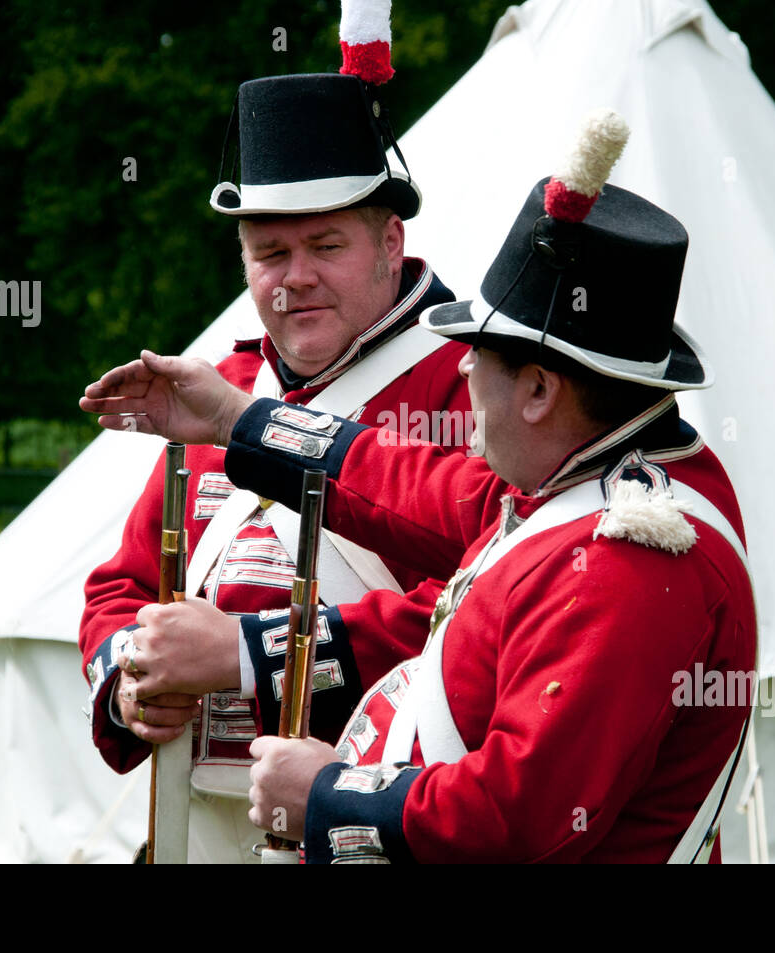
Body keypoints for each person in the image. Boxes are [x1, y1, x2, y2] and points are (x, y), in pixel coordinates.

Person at [80, 112, 758, 862]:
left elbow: (522, 814)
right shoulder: (573, 479)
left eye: (482, 356)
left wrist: (327, 792)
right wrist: (240, 417)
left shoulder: (625, 557)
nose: (463, 369)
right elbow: (410, 485)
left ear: (537, 390)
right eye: (270, 249)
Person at [78, 65, 473, 863]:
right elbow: (120, 587)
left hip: (380, 822)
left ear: (390, 243)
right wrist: (133, 679)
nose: (295, 277)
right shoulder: (221, 388)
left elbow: (477, 612)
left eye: (325, 245)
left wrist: (247, 653)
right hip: (201, 822)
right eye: (269, 252)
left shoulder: (466, 386)